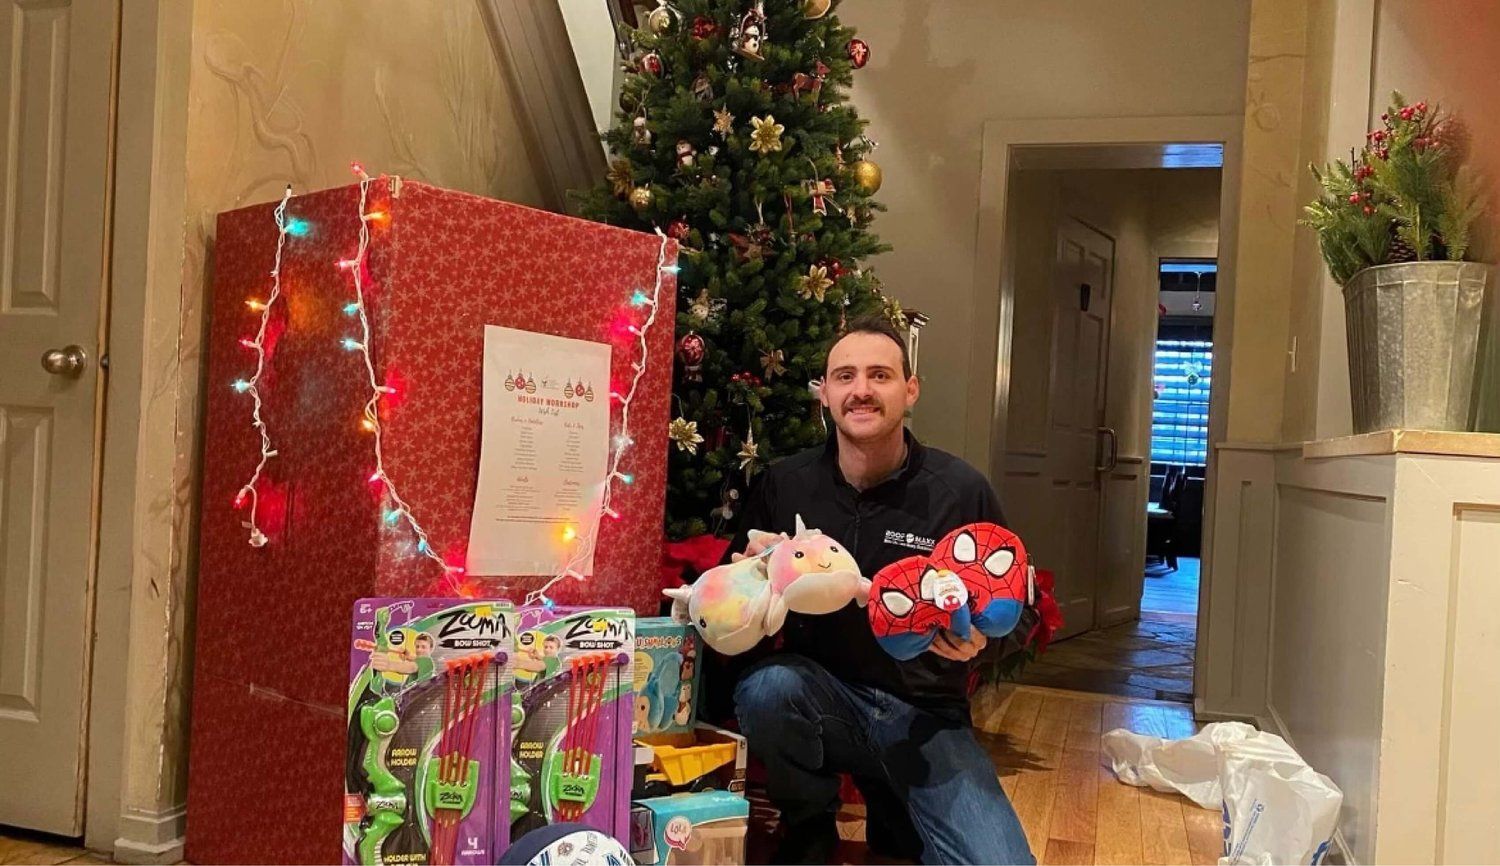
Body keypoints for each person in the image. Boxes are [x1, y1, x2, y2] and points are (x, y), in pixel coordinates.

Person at [724, 315, 1034, 865]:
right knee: (766, 689)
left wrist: (986, 641)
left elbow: (1023, 613)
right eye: (844, 376)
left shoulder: (959, 490)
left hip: (926, 719)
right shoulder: (784, 482)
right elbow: (729, 596)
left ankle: (893, 803)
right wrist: (749, 575)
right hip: (818, 697)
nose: (861, 389)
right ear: (825, 393)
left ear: (910, 390)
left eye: (880, 375)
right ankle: (808, 822)